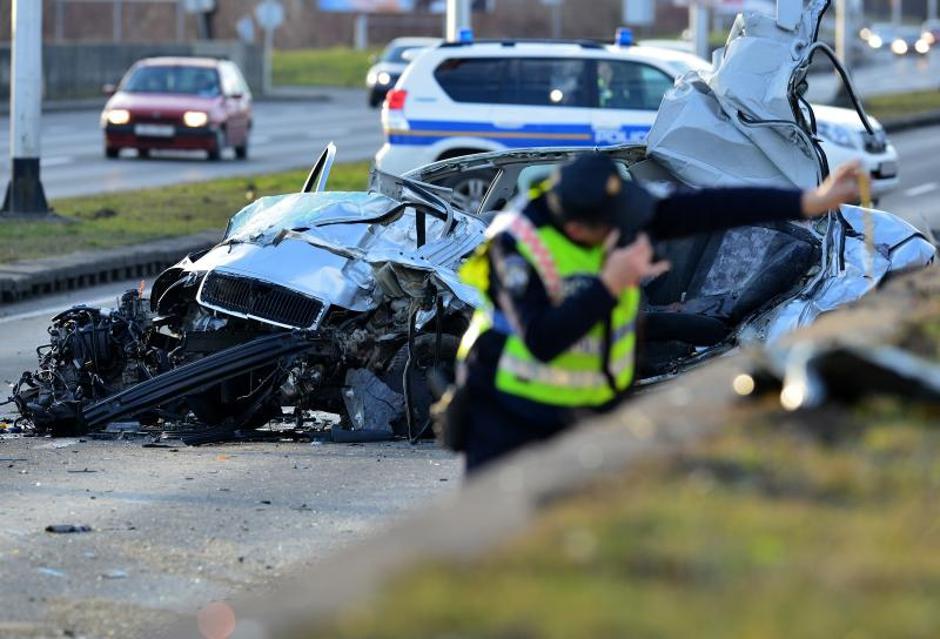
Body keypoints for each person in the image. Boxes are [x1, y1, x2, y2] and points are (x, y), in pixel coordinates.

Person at [451, 152, 861, 473]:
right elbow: (542, 340)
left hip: (586, 409)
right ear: (579, 229)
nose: (633, 229)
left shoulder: (615, 216)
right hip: (508, 415)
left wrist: (809, 200)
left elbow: (713, 206)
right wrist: (610, 283)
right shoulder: (515, 247)